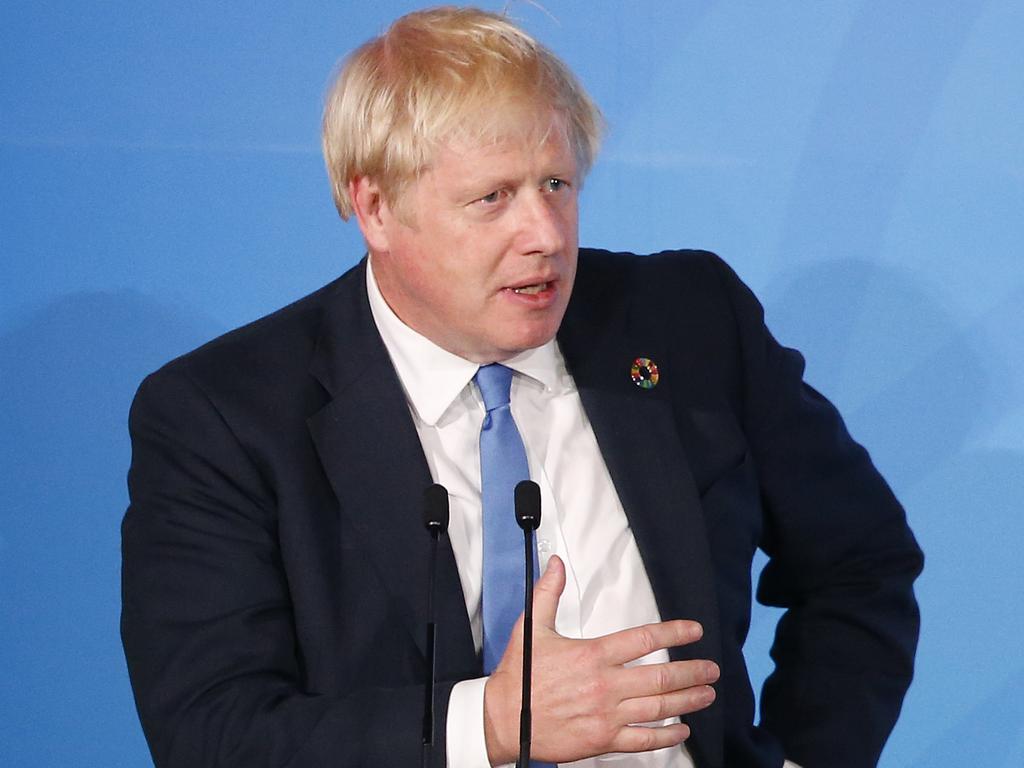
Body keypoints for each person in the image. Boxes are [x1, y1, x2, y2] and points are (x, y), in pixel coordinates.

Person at [121, 7, 923, 768]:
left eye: (556, 186)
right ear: (375, 207)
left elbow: (862, 563)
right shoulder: (225, 415)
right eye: (492, 198)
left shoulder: (687, 325)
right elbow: (212, 732)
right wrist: (493, 723)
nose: (543, 236)